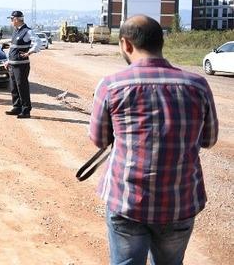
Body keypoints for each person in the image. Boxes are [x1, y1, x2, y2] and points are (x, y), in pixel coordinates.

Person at [89, 15, 218, 265]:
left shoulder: (111, 85)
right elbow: (209, 139)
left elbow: (98, 139)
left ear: (126, 45)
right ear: (162, 42)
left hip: (127, 200)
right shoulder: (197, 85)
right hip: (179, 201)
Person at [4, 11, 41, 118]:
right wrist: (8, 61)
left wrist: (30, 52)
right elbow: (13, 48)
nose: (11, 21)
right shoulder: (16, 31)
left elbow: (38, 42)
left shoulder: (27, 31)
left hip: (21, 65)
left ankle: (26, 110)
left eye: (11, 19)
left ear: (16, 19)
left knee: (22, 87)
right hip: (13, 64)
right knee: (14, 87)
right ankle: (17, 107)